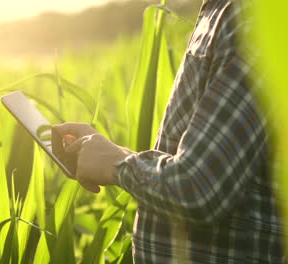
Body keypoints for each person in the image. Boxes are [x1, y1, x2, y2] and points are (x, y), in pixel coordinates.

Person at [53, 0, 285, 262]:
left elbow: (200, 186)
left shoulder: (248, 18)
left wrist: (117, 163)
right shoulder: (224, 12)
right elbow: (203, 167)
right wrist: (117, 154)